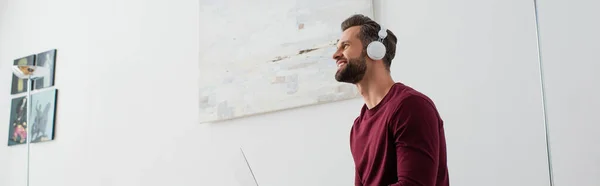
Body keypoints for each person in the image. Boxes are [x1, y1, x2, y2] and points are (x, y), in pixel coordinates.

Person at [332, 14, 450, 186]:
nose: (335, 55)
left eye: (345, 46)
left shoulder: (410, 106)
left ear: (375, 50)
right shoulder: (358, 126)